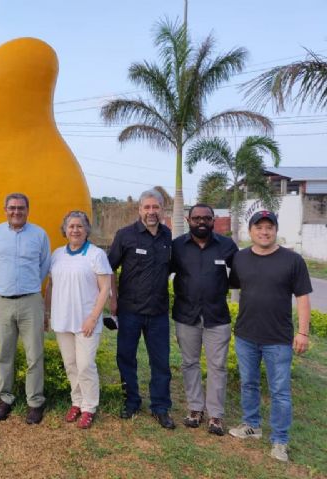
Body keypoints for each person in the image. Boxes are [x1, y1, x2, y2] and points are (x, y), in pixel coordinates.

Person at [228, 211, 312, 463]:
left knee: (280, 391)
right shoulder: (240, 258)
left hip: (278, 339)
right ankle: (252, 425)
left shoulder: (292, 260)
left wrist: (303, 332)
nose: (264, 232)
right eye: (259, 227)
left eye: (269, 227)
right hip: (245, 335)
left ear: (275, 230)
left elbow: (303, 298)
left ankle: (280, 440)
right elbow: (235, 288)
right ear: (250, 230)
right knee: (249, 383)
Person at [108, 189, 175, 429]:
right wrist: (113, 299)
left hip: (158, 312)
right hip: (129, 311)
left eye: (155, 207)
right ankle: (132, 401)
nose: (151, 212)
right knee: (126, 357)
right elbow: (108, 270)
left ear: (162, 209)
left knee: (161, 362)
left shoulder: (168, 237)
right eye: (146, 207)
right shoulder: (125, 236)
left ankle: (160, 407)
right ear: (139, 210)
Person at [171, 204, 238, 436]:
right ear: (188, 219)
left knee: (217, 365)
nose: (201, 222)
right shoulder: (177, 246)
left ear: (213, 220)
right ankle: (195, 408)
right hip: (185, 314)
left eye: (206, 218)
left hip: (217, 316)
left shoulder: (227, 246)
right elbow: (162, 272)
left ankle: (216, 415)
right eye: (197, 218)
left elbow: (239, 277)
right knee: (189, 363)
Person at [0, 193, 51, 424]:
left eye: (20, 208)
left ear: (27, 209)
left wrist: (29, 286)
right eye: (11, 208)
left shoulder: (39, 235)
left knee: (35, 354)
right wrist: (4, 286)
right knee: (4, 353)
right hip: (3, 301)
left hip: (30, 300)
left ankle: (35, 401)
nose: (16, 212)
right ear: (5, 209)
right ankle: (5, 398)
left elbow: (44, 266)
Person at [45, 211, 112, 429]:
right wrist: (47, 314)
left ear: (87, 230)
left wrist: (93, 317)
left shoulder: (96, 254)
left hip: (86, 322)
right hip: (62, 320)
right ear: (65, 230)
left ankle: (89, 407)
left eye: (80, 226)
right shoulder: (56, 255)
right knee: (71, 365)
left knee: (85, 365)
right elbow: (51, 286)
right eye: (71, 226)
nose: (75, 230)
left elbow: (105, 288)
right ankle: (77, 402)